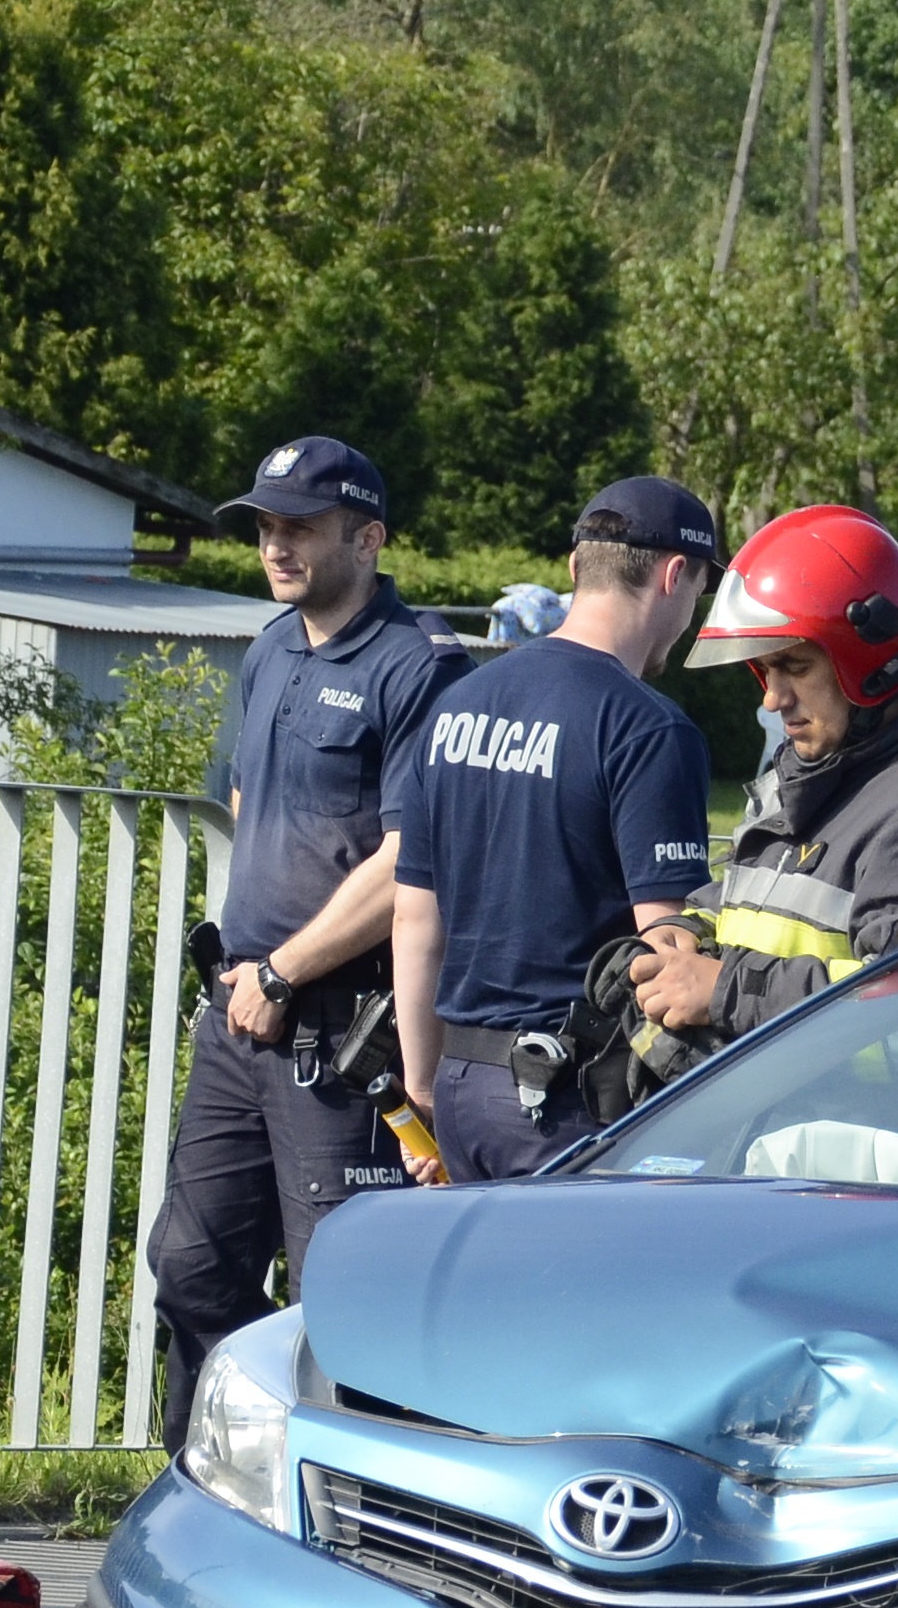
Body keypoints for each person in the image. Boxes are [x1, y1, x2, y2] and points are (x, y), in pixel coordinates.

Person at [150, 435, 457, 1440]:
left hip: (336, 1031)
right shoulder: (271, 648)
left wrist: (288, 967)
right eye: (266, 526)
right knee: (193, 1266)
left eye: (300, 527)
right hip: (239, 1021)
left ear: (367, 538)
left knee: (336, 1299)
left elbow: (409, 863)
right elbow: (245, 799)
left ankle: (331, 1514)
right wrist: (255, 973)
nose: (276, 546)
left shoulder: (417, 671)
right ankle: (204, 1486)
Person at [386, 478, 725, 1180]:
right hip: (562, 1101)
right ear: (673, 576)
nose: (692, 615)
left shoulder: (455, 706)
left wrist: (422, 1085)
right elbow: (668, 947)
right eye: (699, 592)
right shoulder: (649, 728)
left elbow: (416, 916)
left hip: (458, 1086)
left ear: (576, 569)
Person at [622, 507, 898, 1065]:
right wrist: (682, 933)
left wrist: (726, 991)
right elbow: (750, 912)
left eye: (796, 666)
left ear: (872, 664)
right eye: (765, 670)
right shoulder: (808, 781)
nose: (772, 697)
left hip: (859, 1147)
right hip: (775, 1134)